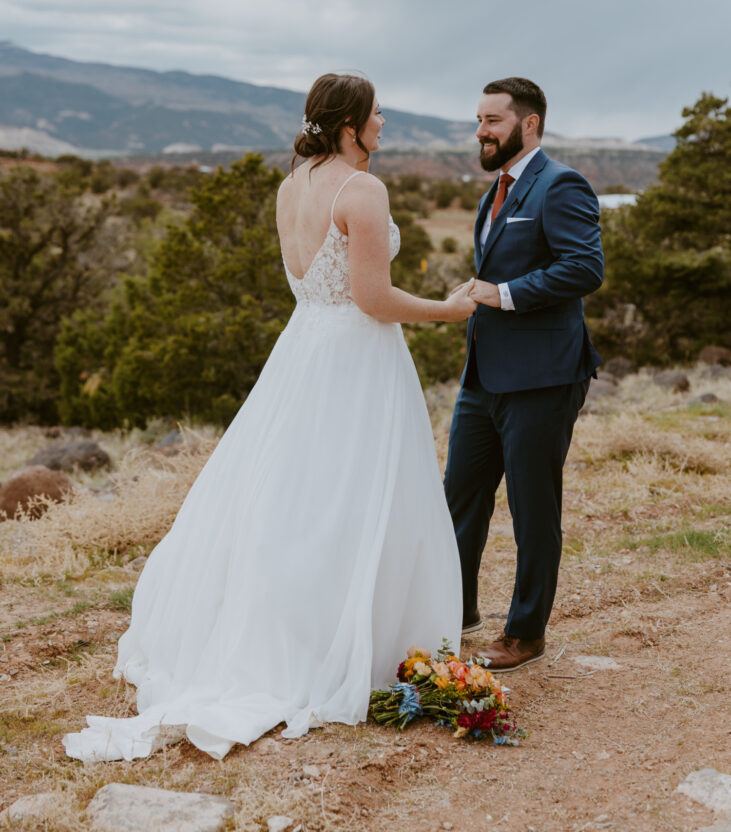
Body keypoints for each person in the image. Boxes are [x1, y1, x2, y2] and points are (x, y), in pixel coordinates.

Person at [63, 73, 475, 762]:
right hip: (355, 357)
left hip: (305, 347)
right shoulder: (361, 189)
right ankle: (337, 646)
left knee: (295, 496)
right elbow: (372, 297)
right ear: (349, 126)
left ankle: (301, 626)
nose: (383, 125)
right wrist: (449, 310)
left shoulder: (291, 186)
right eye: (377, 116)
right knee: (353, 494)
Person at [444, 77, 604, 672]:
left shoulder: (559, 184)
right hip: (482, 377)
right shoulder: (496, 192)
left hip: (543, 377)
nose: (480, 132)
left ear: (528, 124)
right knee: (459, 498)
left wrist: (503, 293)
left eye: (492, 121)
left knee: (534, 508)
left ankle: (525, 633)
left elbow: (585, 268)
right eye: (479, 121)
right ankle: (451, 612)